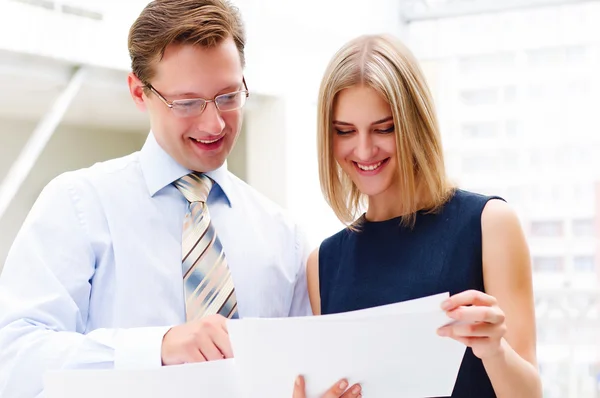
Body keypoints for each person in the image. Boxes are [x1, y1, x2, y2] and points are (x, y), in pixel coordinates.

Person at [0, 1, 357, 397]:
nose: (214, 123)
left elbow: (299, 372)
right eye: (187, 103)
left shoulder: (283, 236)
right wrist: (159, 347)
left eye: (228, 96)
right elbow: (13, 360)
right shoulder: (78, 205)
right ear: (139, 92)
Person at [301, 34, 543, 398]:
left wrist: (495, 351)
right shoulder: (324, 264)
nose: (364, 149)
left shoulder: (489, 224)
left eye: (384, 128)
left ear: (414, 123)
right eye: (345, 131)